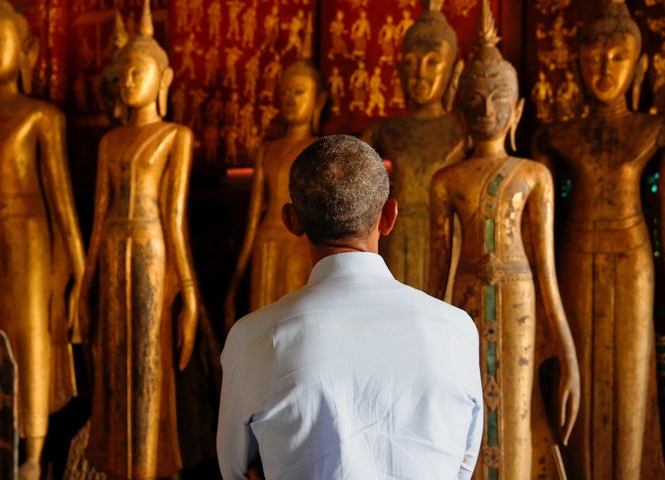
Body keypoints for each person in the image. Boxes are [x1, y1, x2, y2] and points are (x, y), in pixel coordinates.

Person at [217, 134, 483, 480]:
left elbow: (235, 469)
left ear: (291, 220)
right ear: (389, 217)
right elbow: (463, 465)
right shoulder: (456, 329)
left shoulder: (254, 337)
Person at [427, 2, 580, 478]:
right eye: (474, 99)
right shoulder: (446, 180)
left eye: (497, 99)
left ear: (517, 110)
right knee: (468, 403)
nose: (486, 109)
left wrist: (567, 347)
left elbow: (547, 270)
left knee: (516, 405)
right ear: (459, 109)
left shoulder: (533, 176)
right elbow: (436, 277)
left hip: (521, 300)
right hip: (464, 300)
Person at [0, 1, 85, 478]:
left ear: (25, 49)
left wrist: (79, 273)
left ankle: (32, 449)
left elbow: (62, 200)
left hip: (32, 245)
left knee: (31, 340)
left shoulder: (42, 117)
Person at [533, 1, 665, 477]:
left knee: (631, 381)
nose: (604, 68)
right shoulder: (559, 136)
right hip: (574, 251)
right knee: (578, 375)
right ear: (576, 63)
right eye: (593, 57)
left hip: (632, 258)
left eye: (617, 56)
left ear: (642, 64)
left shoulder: (651, 130)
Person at [77, 1, 199, 477]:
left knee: (149, 363)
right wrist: (84, 287)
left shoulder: (175, 136)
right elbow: (97, 218)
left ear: (163, 80)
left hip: (153, 252)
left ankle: (148, 463)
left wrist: (187, 291)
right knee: (113, 362)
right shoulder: (110, 142)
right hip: (110, 250)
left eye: (139, 71)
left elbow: (173, 219)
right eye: (123, 73)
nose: (128, 81)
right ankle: (117, 463)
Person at [361, 0, 466, 293]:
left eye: (433, 62)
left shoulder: (463, 131)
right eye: (411, 62)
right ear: (399, 69)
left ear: (455, 70)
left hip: (445, 236)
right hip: (394, 234)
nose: (420, 72)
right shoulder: (383, 131)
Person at [224, 59, 327, 330]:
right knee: (264, 323)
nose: (291, 99)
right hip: (265, 244)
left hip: (301, 246)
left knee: (298, 323)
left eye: (300, 92)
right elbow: (253, 217)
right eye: (285, 93)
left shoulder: (319, 150)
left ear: (319, 100)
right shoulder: (267, 151)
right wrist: (237, 276)